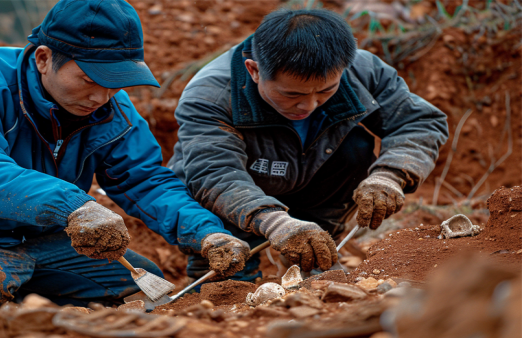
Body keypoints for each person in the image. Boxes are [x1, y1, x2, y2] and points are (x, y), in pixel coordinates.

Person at [0, 0, 249, 338]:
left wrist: (207, 234)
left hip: (34, 239)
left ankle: (18, 305)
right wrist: (73, 206)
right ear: (43, 58)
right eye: (89, 80)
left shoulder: (110, 112)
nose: (100, 97)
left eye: (114, 84)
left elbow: (146, 181)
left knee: (143, 289)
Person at [168, 8, 448, 281]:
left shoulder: (364, 70)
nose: (309, 105)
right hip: (236, 192)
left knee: (354, 148)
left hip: (314, 180)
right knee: (230, 276)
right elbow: (216, 174)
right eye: (292, 94)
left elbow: (419, 122)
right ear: (254, 70)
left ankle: (316, 253)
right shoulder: (210, 95)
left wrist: (391, 175)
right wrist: (274, 222)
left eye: (326, 90)